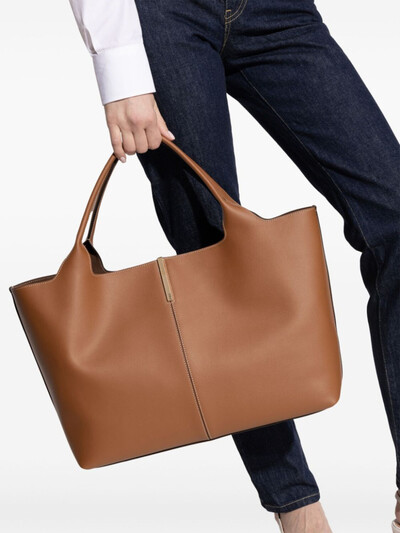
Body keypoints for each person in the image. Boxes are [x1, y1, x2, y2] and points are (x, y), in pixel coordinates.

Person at [67, 1, 400, 531]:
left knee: (393, 216)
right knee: (213, 264)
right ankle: (297, 508)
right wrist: (118, 60)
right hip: (163, 18)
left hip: (279, 12)